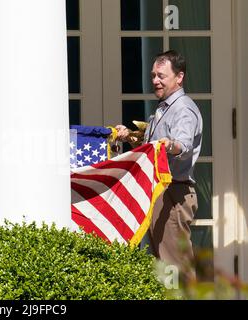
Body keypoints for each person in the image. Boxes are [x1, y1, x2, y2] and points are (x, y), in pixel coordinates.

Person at [116, 50, 203, 283]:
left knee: (175, 268)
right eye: (153, 75)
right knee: (165, 267)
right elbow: (154, 141)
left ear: (179, 77)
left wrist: (170, 145)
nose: (155, 80)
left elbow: (181, 144)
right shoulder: (164, 107)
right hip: (161, 193)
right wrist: (131, 136)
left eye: (161, 76)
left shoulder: (183, 108)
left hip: (174, 194)